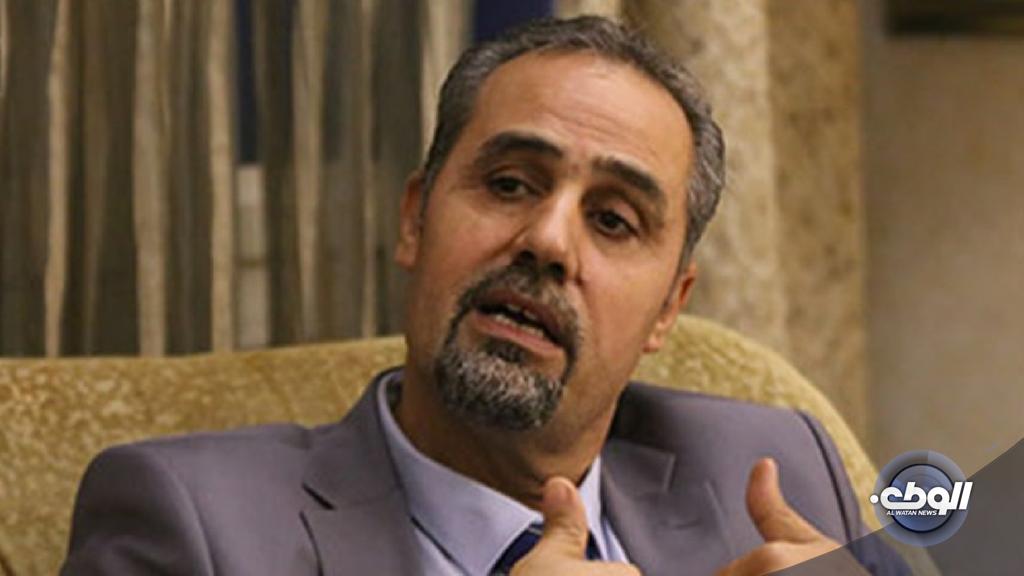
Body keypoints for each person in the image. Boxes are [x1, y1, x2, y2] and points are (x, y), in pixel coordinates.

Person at [61, 16, 907, 576]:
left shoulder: (775, 468)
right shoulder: (191, 524)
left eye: (613, 221)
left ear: (667, 311)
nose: (548, 240)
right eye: (509, 184)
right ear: (415, 220)